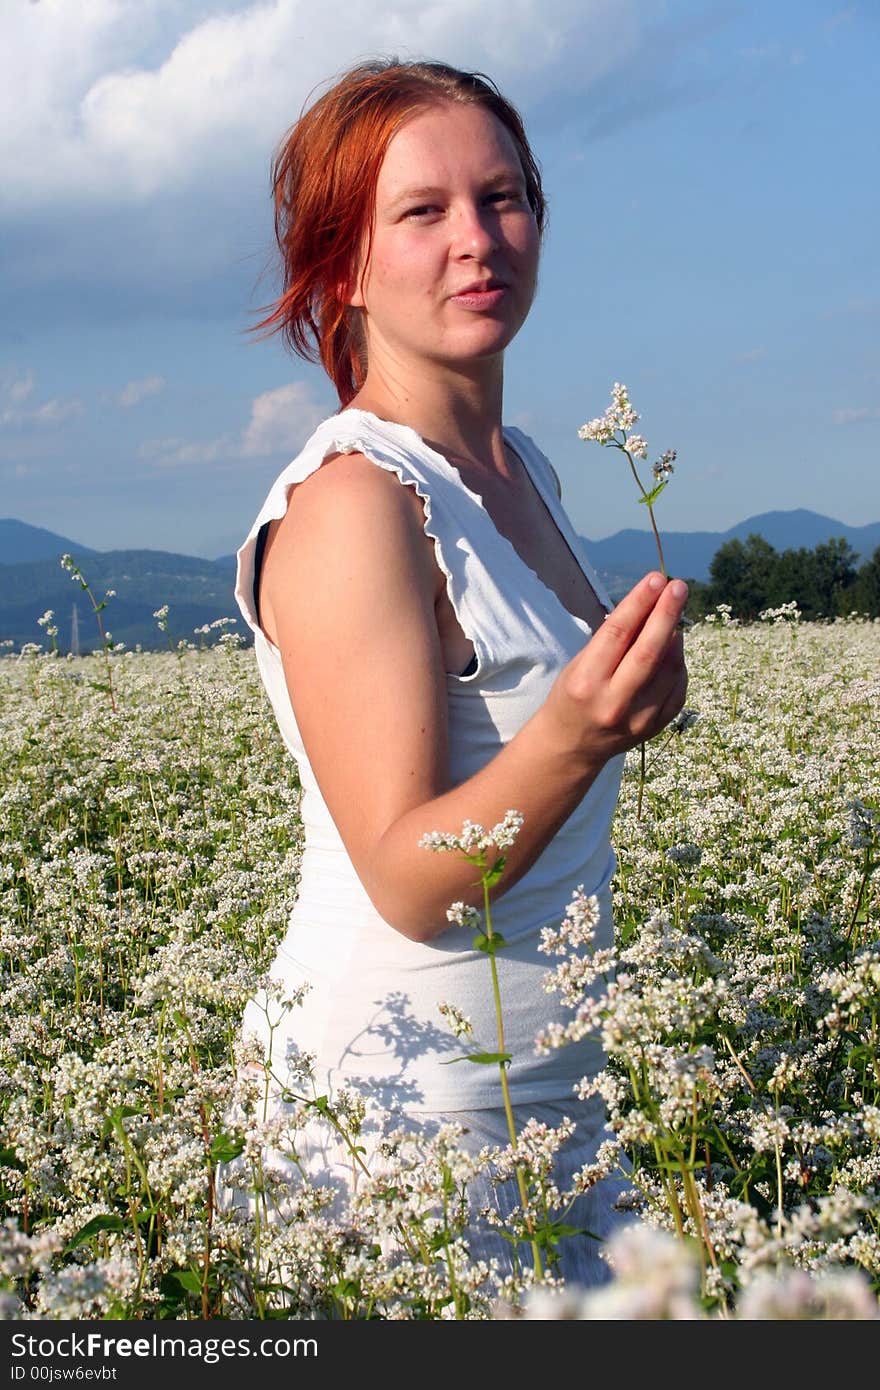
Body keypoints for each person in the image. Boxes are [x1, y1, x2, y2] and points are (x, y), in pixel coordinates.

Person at [226, 57, 688, 1289]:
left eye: (503, 198)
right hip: (403, 1114)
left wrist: (634, 707)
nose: (478, 241)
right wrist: (580, 734)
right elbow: (406, 876)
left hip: (559, 1091)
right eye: (421, 213)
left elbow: (529, 734)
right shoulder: (354, 504)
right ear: (342, 266)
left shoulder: (519, 463)